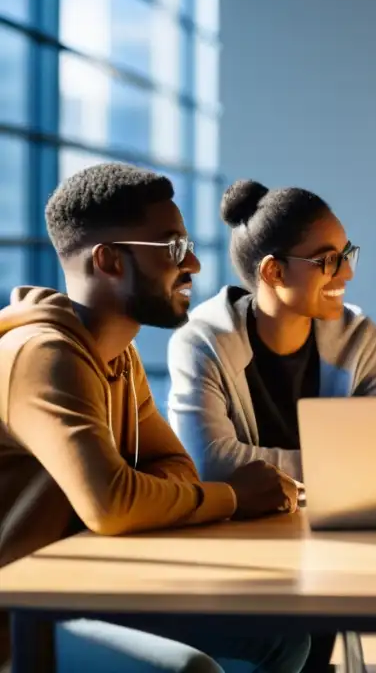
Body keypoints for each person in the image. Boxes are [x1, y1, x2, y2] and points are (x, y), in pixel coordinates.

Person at [0, 163, 309, 672]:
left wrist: (145, 493)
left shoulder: (119, 355)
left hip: (96, 588)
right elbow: (113, 503)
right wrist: (233, 496)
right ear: (108, 261)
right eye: (171, 248)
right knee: (205, 663)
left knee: (282, 635)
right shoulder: (43, 355)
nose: (193, 264)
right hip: (24, 621)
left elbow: (175, 467)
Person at [167, 179, 376, 671]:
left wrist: (276, 475)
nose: (348, 272)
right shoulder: (202, 342)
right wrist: (343, 469)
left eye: (347, 253)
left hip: (335, 543)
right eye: (328, 260)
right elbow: (211, 462)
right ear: (273, 271)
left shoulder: (360, 338)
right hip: (237, 547)